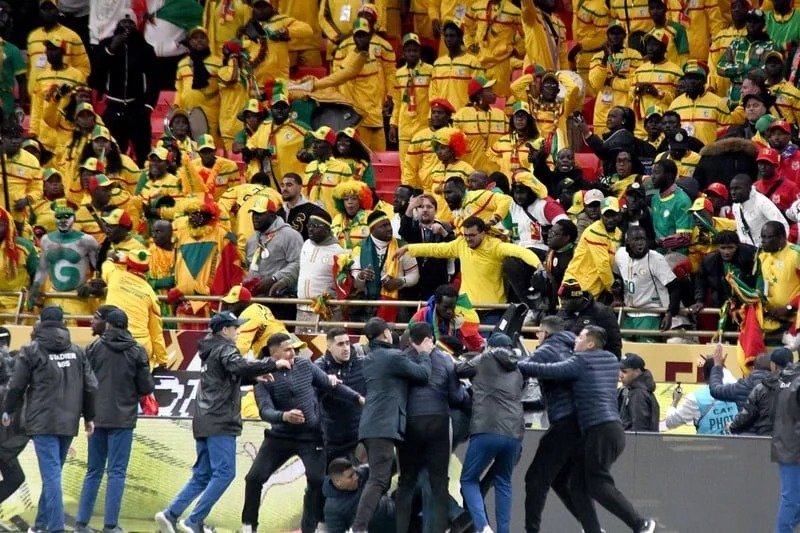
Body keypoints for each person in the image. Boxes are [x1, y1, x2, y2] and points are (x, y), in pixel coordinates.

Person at [155, 311, 287, 533]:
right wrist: (271, 364)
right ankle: (194, 521)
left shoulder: (209, 350)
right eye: (235, 327)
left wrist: (253, 377)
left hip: (203, 419)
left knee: (202, 475)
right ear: (225, 330)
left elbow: (226, 377)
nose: (238, 331)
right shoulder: (226, 348)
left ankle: (170, 514)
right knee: (225, 473)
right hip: (220, 420)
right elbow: (238, 366)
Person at [518, 326, 656, 533]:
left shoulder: (580, 361)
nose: (575, 341)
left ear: (590, 343)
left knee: (597, 483)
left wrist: (515, 363)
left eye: (580, 337)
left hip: (598, 429)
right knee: (578, 485)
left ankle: (640, 524)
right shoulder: (611, 359)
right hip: (614, 430)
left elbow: (545, 370)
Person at [242, 333, 364, 533]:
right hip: (279, 437)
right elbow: (265, 411)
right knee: (253, 478)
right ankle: (248, 526)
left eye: (294, 349)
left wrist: (357, 398)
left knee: (318, 480)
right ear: (274, 353)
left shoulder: (305, 365)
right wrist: (284, 416)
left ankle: (315, 527)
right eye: (288, 350)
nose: (293, 353)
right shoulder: (263, 376)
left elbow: (330, 385)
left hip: (311, 436)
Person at [3, 306, 98, 533]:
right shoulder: (77, 351)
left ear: (40, 321)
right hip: (68, 421)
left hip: (42, 421)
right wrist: (89, 417)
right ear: (63, 323)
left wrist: (7, 410)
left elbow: (16, 385)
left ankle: (54, 528)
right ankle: (40, 526)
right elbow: (91, 386)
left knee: (52, 476)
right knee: (53, 475)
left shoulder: (31, 350)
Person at [75, 309, 154, 533]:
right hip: (123, 419)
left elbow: (84, 383)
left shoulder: (94, 348)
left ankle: (81, 523)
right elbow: (146, 387)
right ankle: (110, 526)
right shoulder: (137, 350)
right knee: (117, 473)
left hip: (97, 418)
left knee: (93, 471)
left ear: (108, 325)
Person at [350, 318, 432, 533]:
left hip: (373, 425)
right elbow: (423, 375)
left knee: (381, 480)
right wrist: (424, 353)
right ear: (386, 334)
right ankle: (358, 528)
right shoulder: (393, 356)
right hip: (383, 426)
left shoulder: (370, 358)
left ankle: (363, 526)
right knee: (378, 480)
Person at [522, 316, 597, 533]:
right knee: (561, 478)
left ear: (545, 333)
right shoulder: (573, 347)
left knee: (535, 479)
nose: (537, 337)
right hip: (583, 422)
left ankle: (532, 530)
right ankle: (592, 528)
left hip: (565, 422)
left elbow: (522, 367)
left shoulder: (548, 348)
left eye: (538, 333)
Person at [395, 322, 469, 533]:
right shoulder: (445, 360)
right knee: (438, 485)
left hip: (409, 424)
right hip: (439, 423)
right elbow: (456, 396)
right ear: (431, 339)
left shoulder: (400, 360)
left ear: (410, 341)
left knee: (406, 484)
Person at [455, 333, 524, 533]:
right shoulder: (518, 368)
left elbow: (460, 370)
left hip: (486, 428)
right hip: (514, 433)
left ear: (490, 346)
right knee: (504, 482)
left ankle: (483, 527)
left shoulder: (486, 357)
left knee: (468, 480)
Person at [396, 216, 541, 309]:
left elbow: (521, 252)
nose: (468, 239)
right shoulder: (461, 244)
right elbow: (436, 249)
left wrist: (538, 266)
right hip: (467, 309)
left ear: (483, 233)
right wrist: (409, 248)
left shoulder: (496, 247)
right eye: (465, 235)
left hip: (493, 308)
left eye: (472, 235)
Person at [94, 12, 158, 166]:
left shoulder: (145, 48)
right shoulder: (106, 45)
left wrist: (148, 106)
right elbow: (97, 71)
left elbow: (154, 80)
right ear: (117, 25)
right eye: (123, 23)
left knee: (144, 154)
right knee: (113, 155)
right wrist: (111, 49)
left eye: (130, 24)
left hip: (137, 108)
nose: (127, 27)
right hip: (113, 107)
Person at [102, 248, 169, 369]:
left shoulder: (114, 275)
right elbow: (156, 332)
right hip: (139, 346)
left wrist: (111, 258)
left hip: (112, 343)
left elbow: (106, 265)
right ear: (147, 270)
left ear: (127, 265)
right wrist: (162, 360)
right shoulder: (150, 293)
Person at [351, 211, 420, 322]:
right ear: (372, 230)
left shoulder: (402, 246)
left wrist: (400, 281)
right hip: (367, 304)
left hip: (396, 302)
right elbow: (356, 283)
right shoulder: (359, 248)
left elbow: (414, 276)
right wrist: (361, 276)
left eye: (389, 224)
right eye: (383, 226)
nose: (389, 228)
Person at [613, 225, 681, 338]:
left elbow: (675, 287)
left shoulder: (656, 259)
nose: (640, 243)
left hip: (650, 313)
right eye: (636, 239)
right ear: (627, 241)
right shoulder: (620, 255)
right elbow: (617, 277)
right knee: (623, 346)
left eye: (643, 239)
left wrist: (670, 313)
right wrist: (617, 297)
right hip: (628, 313)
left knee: (645, 346)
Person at [316, 328, 367, 465]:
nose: (345, 348)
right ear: (329, 346)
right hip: (332, 437)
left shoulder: (363, 363)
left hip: (360, 435)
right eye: (340, 344)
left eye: (347, 343)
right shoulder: (320, 368)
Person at [243, 196, 303, 306]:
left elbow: (299, 263)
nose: (255, 217)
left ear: (272, 215)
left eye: (260, 214)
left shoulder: (290, 235)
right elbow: (248, 265)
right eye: (254, 214)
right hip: (255, 300)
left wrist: (274, 278)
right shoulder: (252, 239)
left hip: (279, 299)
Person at [563, 197, 623, 300]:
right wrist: (613, 291)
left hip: (595, 290)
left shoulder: (618, 233)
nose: (610, 219)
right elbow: (603, 264)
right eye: (606, 215)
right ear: (601, 215)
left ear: (619, 214)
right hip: (576, 285)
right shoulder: (595, 231)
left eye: (613, 214)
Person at [398, 194, 455, 300]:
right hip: (414, 286)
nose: (425, 210)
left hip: (437, 283)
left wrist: (443, 233)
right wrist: (410, 208)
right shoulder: (413, 227)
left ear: (436, 210)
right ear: (416, 210)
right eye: (421, 207)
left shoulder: (444, 227)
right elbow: (404, 231)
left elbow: (455, 247)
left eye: (429, 207)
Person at [296, 212, 346, 331]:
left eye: (315, 226)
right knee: (301, 342)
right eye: (309, 225)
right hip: (302, 309)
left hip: (325, 312)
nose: (311, 229)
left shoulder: (338, 251)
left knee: (324, 342)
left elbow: (342, 285)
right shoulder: (306, 244)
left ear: (327, 229)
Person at [663, 356, 739, 434]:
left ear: (704, 376)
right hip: (738, 441)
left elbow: (670, 422)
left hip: (707, 442)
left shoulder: (695, 398)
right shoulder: (740, 389)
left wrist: (675, 401)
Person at [730, 348, 794, 436]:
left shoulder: (763, 388)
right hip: (793, 439)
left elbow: (748, 414)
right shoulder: (796, 385)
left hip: (767, 438)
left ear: (773, 365)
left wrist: (732, 426)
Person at [770, 352, 800, 533]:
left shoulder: (786, 378)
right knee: (791, 500)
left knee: (792, 500)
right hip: (794, 449)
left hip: (787, 445)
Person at [390, 33, 433, 158]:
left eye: (415, 50)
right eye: (409, 50)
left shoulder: (430, 71)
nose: (412, 54)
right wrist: (393, 124)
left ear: (420, 51)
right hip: (405, 127)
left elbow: (433, 97)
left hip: (424, 125)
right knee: (405, 164)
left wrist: (431, 120)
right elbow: (397, 102)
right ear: (403, 53)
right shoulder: (398, 74)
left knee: (425, 163)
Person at [323, 457, 395, 533]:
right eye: (350, 476)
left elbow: (387, 465)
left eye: (354, 472)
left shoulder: (363, 472)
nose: (356, 477)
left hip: (393, 512)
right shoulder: (332, 509)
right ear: (338, 482)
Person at [556, 278, 623, 358]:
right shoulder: (562, 313)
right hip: (567, 360)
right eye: (561, 299)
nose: (562, 303)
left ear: (577, 298)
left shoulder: (601, 312)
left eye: (566, 299)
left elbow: (614, 343)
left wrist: (610, 362)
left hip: (594, 360)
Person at [453, 75, 507, 173]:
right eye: (489, 90)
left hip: (496, 173)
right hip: (471, 173)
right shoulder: (462, 115)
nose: (494, 93)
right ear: (479, 95)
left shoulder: (501, 115)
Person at [409, 284, 484, 353]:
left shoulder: (460, 316)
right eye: (445, 307)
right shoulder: (423, 314)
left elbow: (477, 341)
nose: (449, 311)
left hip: (454, 357)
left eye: (452, 307)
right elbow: (408, 338)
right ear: (437, 303)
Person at [429, 21, 483, 112]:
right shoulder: (438, 63)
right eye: (446, 36)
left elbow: (479, 89)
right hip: (444, 116)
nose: (448, 39)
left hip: (465, 114)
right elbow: (433, 91)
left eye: (452, 36)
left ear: (460, 38)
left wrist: (471, 109)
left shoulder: (473, 62)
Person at [730, 173, 788, 247]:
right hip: (745, 249)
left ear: (749, 188)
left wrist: (777, 248)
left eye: (737, 188)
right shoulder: (735, 206)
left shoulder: (762, 202)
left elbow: (783, 225)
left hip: (764, 250)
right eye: (731, 189)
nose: (733, 192)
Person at [617, 354, 659, 431]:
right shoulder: (634, 390)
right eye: (619, 370)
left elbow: (640, 431)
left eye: (624, 371)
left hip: (632, 438)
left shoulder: (638, 395)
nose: (620, 375)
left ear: (637, 371)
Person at [280, 173, 327, 241]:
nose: (284, 188)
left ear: (300, 187)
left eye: (289, 185)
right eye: (282, 185)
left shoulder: (314, 211)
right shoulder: (279, 212)